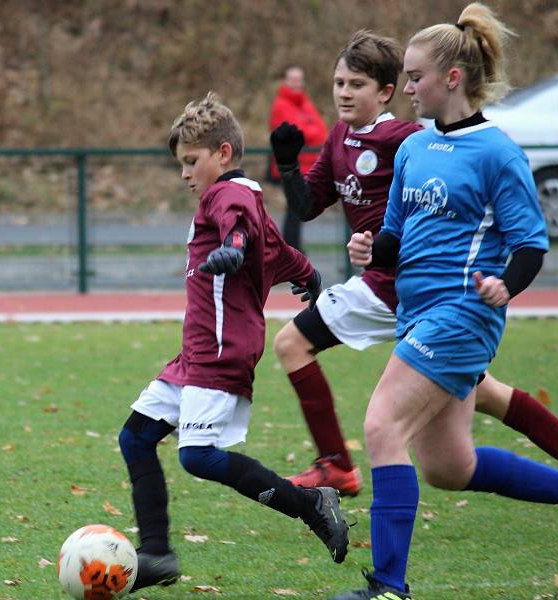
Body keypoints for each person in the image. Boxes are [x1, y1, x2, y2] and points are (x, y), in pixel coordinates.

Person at [330, 5, 558, 598]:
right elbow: (395, 236)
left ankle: (388, 586)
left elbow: (530, 245)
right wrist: (370, 248)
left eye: (415, 77)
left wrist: (504, 285)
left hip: (463, 316)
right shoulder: (413, 149)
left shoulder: (497, 152)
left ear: (452, 79)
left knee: (382, 425)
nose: (406, 87)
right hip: (418, 315)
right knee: (447, 467)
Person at [269, 30, 558, 499]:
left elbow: (457, 151)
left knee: (293, 345)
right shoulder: (340, 138)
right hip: (399, 286)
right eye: (338, 83)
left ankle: (337, 466)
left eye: (356, 84)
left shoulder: (407, 138)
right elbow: (307, 205)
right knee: (464, 437)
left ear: (386, 92)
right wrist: (287, 166)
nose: (344, 93)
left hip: (401, 288)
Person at [117, 92, 349, 593]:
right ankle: (156, 551)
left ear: (223, 153)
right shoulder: (241, 200)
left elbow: (241, 230)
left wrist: (233, 247)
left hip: (222, 349)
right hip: (196, 352)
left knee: (197, 456)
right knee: (134, 438)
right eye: (181, 163)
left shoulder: (230, 195)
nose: (185, 173)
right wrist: (307, 274)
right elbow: (278, 249)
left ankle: (310, 503)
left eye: (191, 161)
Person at [268, 65, 328, 251]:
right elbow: (300, 131)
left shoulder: (304, 102)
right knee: (295, 209)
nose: (296, 83)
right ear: (286, 81)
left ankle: (292, 247)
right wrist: (312, 130)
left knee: (296, 209)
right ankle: (291, 248)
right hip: (293, 165)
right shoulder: (282, 104)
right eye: (292, 79)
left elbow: (321, 131)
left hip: (307, 165)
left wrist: (313, 130)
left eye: (299, 79)